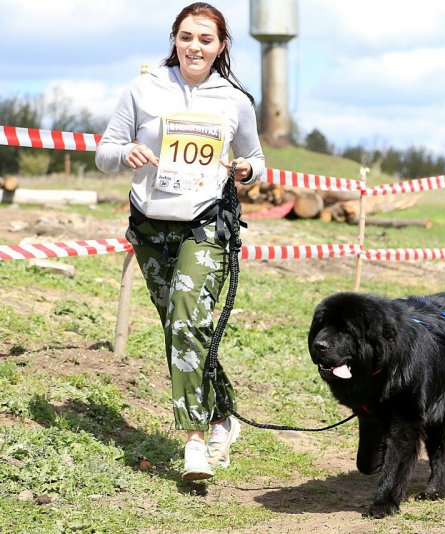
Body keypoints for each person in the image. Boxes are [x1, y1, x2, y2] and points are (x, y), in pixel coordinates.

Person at [96, 2, 265, 481]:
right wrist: (125, 151)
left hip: (204, 225)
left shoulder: (233, 100)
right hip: (150, 226)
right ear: (175, 39)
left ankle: (193, 442)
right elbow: (104, 153)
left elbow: (255, 158)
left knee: (187, 314)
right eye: (187, 36)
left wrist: (248, 170)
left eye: (205, 39)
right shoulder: (144, 89)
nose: (195, 46)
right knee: (181, 327)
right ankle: (221, 416)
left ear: (221, 46)